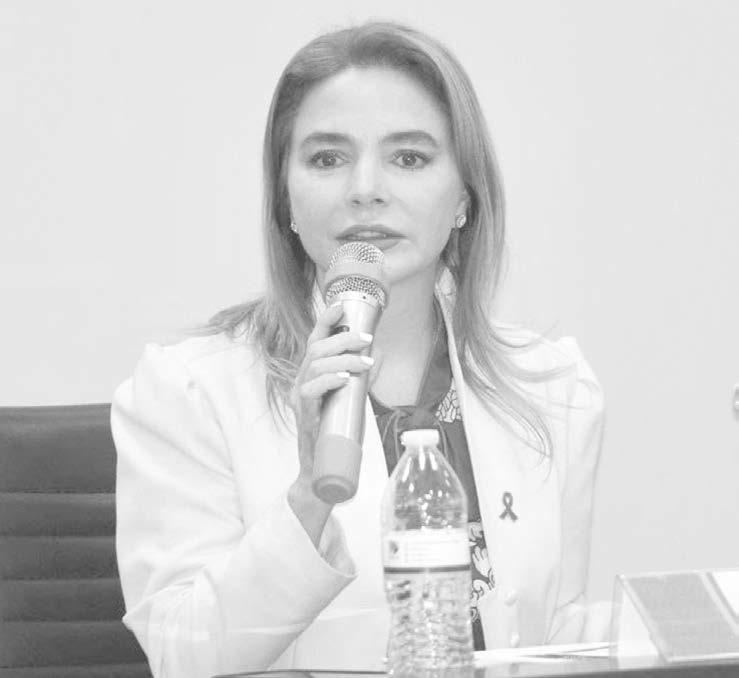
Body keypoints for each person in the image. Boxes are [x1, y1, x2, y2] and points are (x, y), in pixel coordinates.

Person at [112, 20, 607, 678]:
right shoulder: (188, 390)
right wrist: (308, 498)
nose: (365, 188)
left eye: (409, 158)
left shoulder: (553, 387)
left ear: (464, 197)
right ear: (285, 201)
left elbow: (561, 633)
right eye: (327, 158)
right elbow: (184, 655)